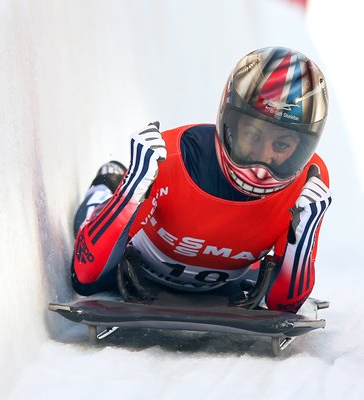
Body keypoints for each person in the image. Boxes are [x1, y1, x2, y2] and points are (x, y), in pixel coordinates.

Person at [71, 47, 332, 313]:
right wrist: (132, 190)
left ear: (303, 148)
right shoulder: (171, 159)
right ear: (229, 122)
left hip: (232, 279)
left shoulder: (310, 181)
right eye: (253, 136)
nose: (263, 160)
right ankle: (108, 185)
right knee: (97, 222)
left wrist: (304, 234)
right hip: (137, 262)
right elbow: (85, 277)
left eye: (282, 144)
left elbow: (284, 305)